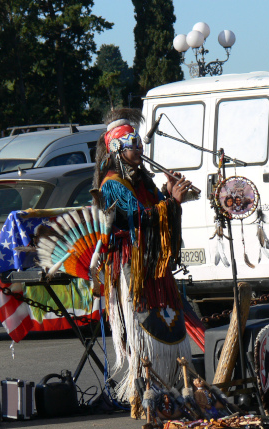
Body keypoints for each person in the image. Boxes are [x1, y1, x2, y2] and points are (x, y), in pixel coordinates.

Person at [93, 108, 195, 406]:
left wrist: (168, 193)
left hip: (155, 266)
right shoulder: (113, 183)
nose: (138, 149)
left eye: (139, 143)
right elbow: (139, 217)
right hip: (133, 267)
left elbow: (156, 209)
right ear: (116, 148)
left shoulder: (143, 180)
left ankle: (171, 387)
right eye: (131, 144)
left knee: (168, 326)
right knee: (143, 331)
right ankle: (143, 392)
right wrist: (171, 203)